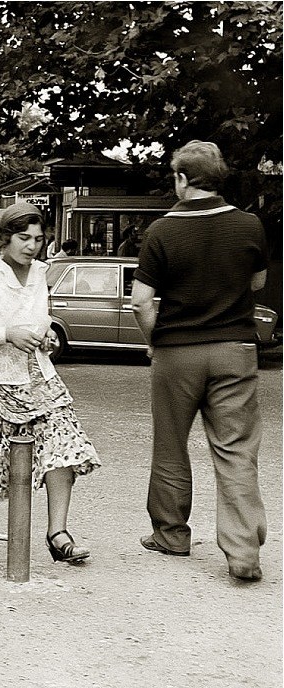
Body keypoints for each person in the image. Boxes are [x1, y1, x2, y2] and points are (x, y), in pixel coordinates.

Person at [131, 141, 268, 582]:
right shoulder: (249, 225)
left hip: (177, 352)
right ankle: (244, 550)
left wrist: (155, 341)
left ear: (183, 178)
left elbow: (140, 303)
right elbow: (258, 280)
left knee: (171, 445)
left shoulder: (162, 231)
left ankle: (171, 534)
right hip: (235, 349)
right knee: (236, 450)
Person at [0, 202, 100, 567]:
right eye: (23, 237)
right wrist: (5, 335)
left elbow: (40, 321)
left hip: (38, 377)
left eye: (38, 238)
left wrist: (46, 336)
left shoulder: (41, 272)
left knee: (67, 444)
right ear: (3, 238)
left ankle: (58, 534)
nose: (32, 246)